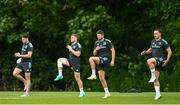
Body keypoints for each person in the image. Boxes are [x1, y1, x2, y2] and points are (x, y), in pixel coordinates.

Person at [141, 28, 172, 100]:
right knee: (156, 79)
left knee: (149, 61)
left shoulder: (163, 42)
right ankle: (158, 94)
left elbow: (169, 51)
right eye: (154, 34)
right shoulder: (153, 41)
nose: (155, 35)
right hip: (155, 61)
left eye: (156, 33)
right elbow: (150, 50)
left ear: (160, 34)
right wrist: (145, 52)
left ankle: (152, 76)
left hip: (161, 59)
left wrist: (167, 60)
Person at [87, 30, 115, 98]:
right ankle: (107, 92)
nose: (98, 37)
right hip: (99, 59)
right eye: (97, 36)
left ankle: (93, 74)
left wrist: (112, 60)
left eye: (99, 35)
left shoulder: (107, 41)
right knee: (101, 78)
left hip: (105, 59)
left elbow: (113, 50)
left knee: (91, 59)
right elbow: (94, 53)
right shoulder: (96, 43)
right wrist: (96, 49)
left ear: (102, 35)